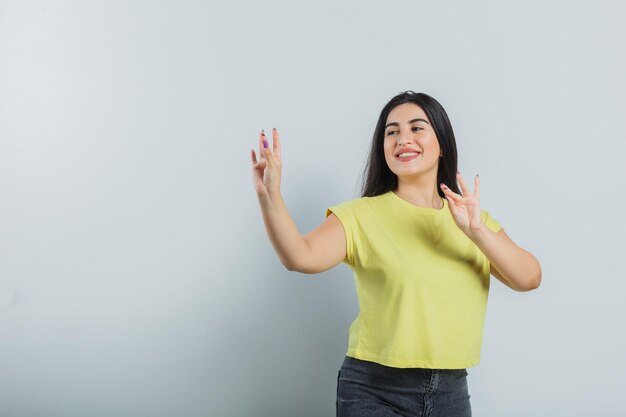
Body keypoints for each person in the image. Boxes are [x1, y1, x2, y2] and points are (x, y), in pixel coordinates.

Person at [250, 90, 542, 417]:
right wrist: (269, 195)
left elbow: (529, 278)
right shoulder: (361, 215)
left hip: (451, 391)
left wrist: (477, 233)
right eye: (392, 132)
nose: (403, 138)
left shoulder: (473, 221)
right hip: (374, 390)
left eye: (417, 128)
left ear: (442, 143)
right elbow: (299, 256)